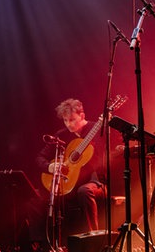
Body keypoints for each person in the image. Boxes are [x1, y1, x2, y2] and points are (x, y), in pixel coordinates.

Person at [35, 98, 107, 237]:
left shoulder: (98, 128)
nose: (69, 124)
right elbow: (39, 158)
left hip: (95, 182)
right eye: (65, 120)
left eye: (72, 119)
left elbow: (103, 157)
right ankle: (42, 244)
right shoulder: (61, 135)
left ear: (82, 116)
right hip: (69, 183)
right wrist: (50, 166)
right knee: (35, 198)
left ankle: (94, 238)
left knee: (84, 191)